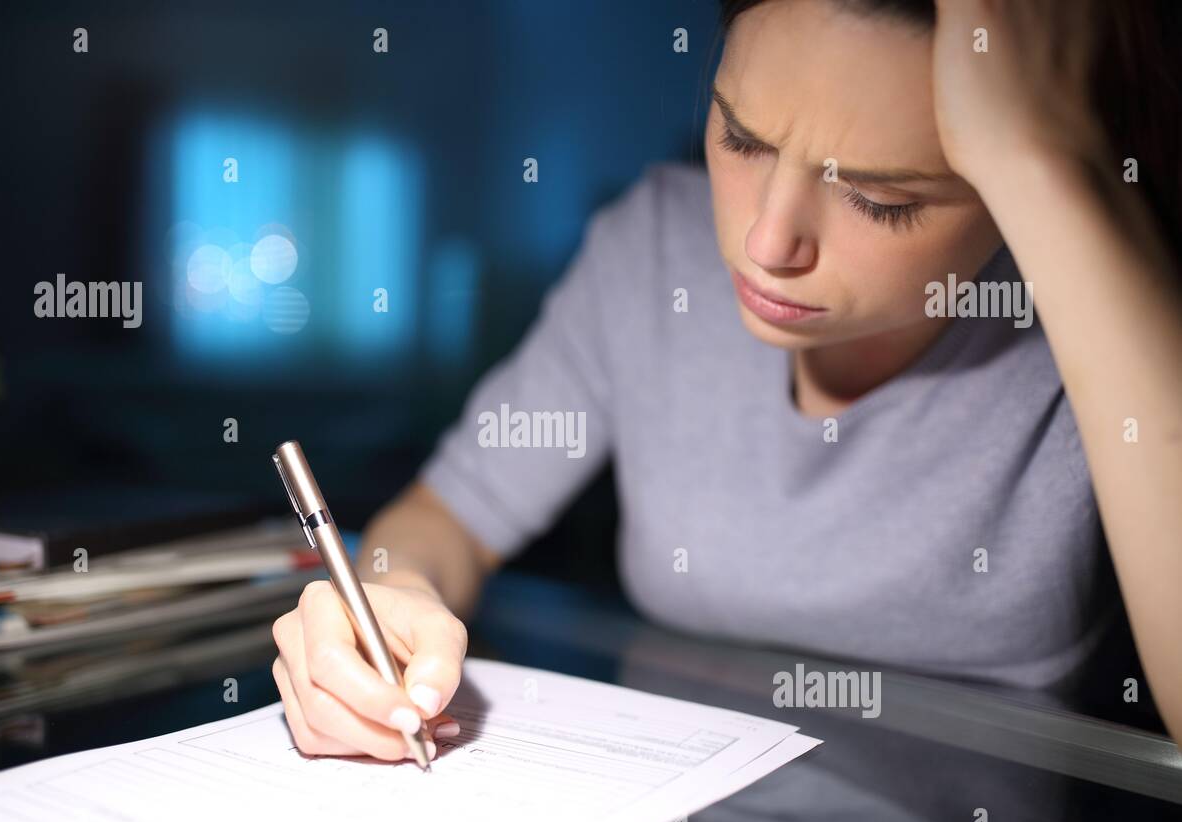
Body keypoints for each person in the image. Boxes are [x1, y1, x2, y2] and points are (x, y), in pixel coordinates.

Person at [270, 0, 1182, 760]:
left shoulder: (1105, 299)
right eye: (742, 139)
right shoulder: (651, 252)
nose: (767, 244)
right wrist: (388, 608)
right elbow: (445, 523)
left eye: (881, 199)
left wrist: (1056, 172)